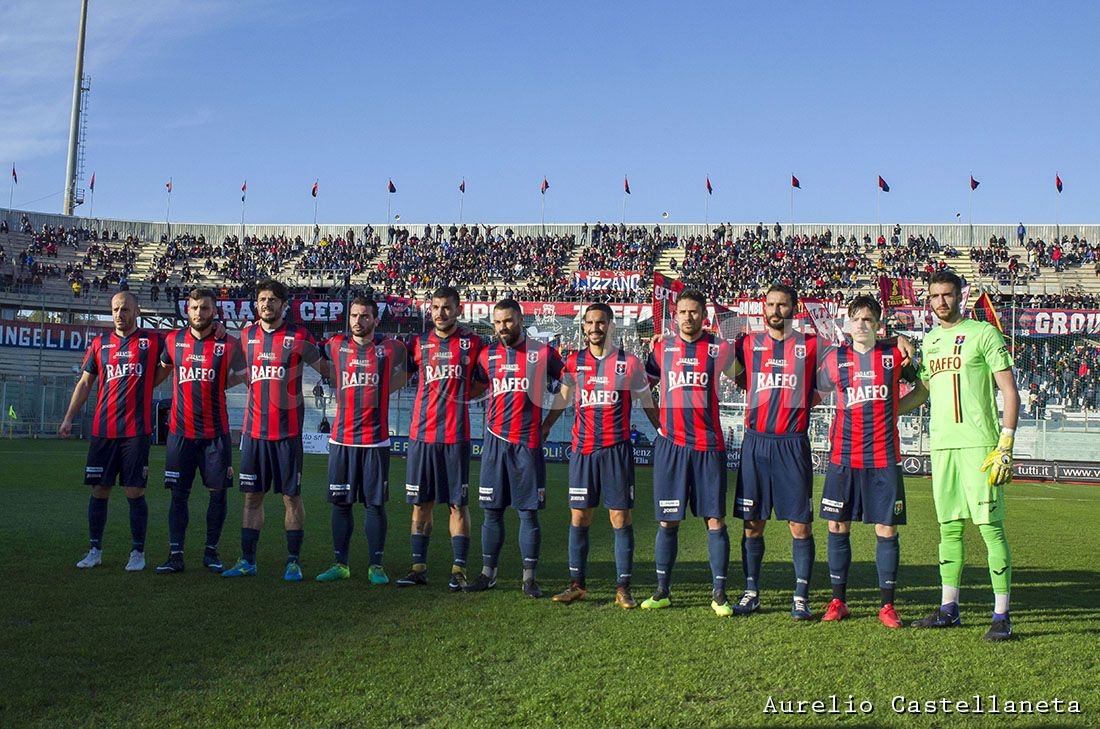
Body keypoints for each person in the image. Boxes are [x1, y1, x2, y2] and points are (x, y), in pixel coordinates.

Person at [912, 270, 1019, 641]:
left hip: (979, 447)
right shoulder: (929, 342)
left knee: (990, 528)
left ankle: (1001, 615)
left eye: (947, 294)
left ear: (960, 295)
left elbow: (1009, 389)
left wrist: (1005, 442)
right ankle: (948, 609)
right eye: (935, 296)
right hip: (942, 446)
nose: (941, 301)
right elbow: (922, 392)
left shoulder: (983, 333)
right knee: (949, 529)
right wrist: (886, 408)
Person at [815, 295, 927, 627]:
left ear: (878, 324)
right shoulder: (834, 360)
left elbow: (921, 390)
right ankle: (838, 601)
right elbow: (813, 393)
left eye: (868, 319)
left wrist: (894, 410)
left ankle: (887, 606)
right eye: (857, 319)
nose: (862, 324)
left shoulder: (894, 356)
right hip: (843, 456)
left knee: (886, 528)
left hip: (883, 457)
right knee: (837, 526)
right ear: (848, 324)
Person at [541, 303, 660, 608]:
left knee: (620, 517)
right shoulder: (574, 362)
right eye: (590, 322)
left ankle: (623, 587)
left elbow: (646, 400)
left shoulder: (628, 363)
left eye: (601, 322)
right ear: (583, 327)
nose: (595, 327)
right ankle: (577, 585)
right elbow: (563, 398)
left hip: (616, 451)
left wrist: (663, 428)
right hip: (583, 452)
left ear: (611, 326)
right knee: (579, 517)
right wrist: (544, 428)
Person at [642, 289, 739, 615]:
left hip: (708, 446)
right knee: (667, 522)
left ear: (703, 315)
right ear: (676, 315)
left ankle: (720, 594)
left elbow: (743, 377)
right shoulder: (662, 347)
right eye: (682, 312)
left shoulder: (718, 349)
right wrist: (656, 421)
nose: (687, 317)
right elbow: (644, 384)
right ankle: (661, 590)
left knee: (715, 520)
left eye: (694, 312)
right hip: (671, 446)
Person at [222, 279, 326, 580]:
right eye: (261, 299)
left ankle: (293, 560)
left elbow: (326, 368)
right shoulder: (246, 335)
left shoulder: (299, 336)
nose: (266, 304)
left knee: (291, 497)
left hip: (287, 433)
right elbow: (238, 370)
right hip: (254, 433)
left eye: (272, 300)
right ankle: (247, 560)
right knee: (252, 497)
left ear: (283, 304)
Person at [730, 284, 821, 620]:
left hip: (792, 444)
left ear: (794, 309)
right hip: (756, 442)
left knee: (800, 525)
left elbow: (856, 350)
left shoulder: (812, 345)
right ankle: (751, 591)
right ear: (762, 307)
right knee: (752, 523)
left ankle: (801, 596)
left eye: (783, 305)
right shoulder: (747, 343)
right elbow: (730, 368)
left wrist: (892, 341)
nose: (776, 310)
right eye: (770, 304)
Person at [60, 291, 165, 571]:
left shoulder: (152, 340)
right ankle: (94, 549)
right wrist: (69, 417)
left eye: (126, 309)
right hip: (103, 430)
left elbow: (182, 344)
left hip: (136, 431)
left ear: (137, 311)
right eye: (116, 309)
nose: (120, 314)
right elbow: (84, 384)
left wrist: (215, 325)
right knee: (99, 490)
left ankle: (137, 552)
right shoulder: (100, 343)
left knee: (134, 492)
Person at [464, 298, 563, 597]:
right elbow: (476, 386)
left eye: (508, 320)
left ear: (520, 319)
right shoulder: (487, 355)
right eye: (497, 322)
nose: (502, 327)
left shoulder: (542, 352)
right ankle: (487, 573)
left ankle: (528, 578)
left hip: (526, 443)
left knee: (527, 513)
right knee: (491, 511)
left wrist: (547, 424)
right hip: (494, 442)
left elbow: (569, 381)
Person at [394, 286, 483, 591]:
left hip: (456, 436)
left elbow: (483, 383)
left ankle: (459, 570)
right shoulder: (418, 344)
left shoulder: (473, 344)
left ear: (458, 310)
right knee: (421, 504)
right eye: (435, 307)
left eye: (447, 307)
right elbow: (403, 377)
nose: (441, 313)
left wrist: (458, 398)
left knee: (457, 505)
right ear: (429, 310)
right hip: (422, 435)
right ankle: (418, 567)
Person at [153, 287, 246, 574]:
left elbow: (247, 375)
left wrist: (220, 384)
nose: (199, 313)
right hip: (180, 434)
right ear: (187, 310)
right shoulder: (173, 340)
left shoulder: (229, 344)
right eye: (194, 308)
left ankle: (211, 552)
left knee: (218, 494)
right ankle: (176, 554)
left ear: (214, 311)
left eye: (205, 308)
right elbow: (159, 374)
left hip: (215, 435)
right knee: (178, 495)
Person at [314, 297, 406, 584]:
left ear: (376, 320)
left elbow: (413, 365)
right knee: (340, 504)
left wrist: (387, 389)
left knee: (374, 505)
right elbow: (306, 349)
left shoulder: (391, 348)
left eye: (365, 316)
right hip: (342, 440)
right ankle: (340, 563)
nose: (358, 321)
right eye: (354, 315)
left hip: (375, 442)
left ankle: (375, 564)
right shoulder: (336, 345)